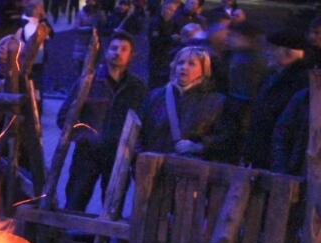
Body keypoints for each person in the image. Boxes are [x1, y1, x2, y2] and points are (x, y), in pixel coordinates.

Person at [60, 32, 148, 210]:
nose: (118, 52)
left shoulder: (137, 88)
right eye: (114, 48)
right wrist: (84, 135)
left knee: (112, 208)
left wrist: (133, 150)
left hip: (119, 156)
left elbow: (144, 121)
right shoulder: (88, 81)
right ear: (106, 52)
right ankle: (65, 237)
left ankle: (105, 239)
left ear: (131, 55)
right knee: (75, 202)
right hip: (87, 154)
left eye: (124, 49)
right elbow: (64, 117)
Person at [139, 45, 226, 158]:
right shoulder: (155, 96)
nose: (184, 67)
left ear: (203, 70)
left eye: (191, 64)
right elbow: (139, 131)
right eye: (180, 63)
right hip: (152, 165)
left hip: (188, 169)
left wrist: (199, 146)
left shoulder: (215, 102)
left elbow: (222, 138)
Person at [242, 29, 310, 169]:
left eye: (272, 49)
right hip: (261, 158)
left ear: (289, 52)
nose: (266, 53)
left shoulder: (302, 82)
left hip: (279, 163)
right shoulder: (271, 77)